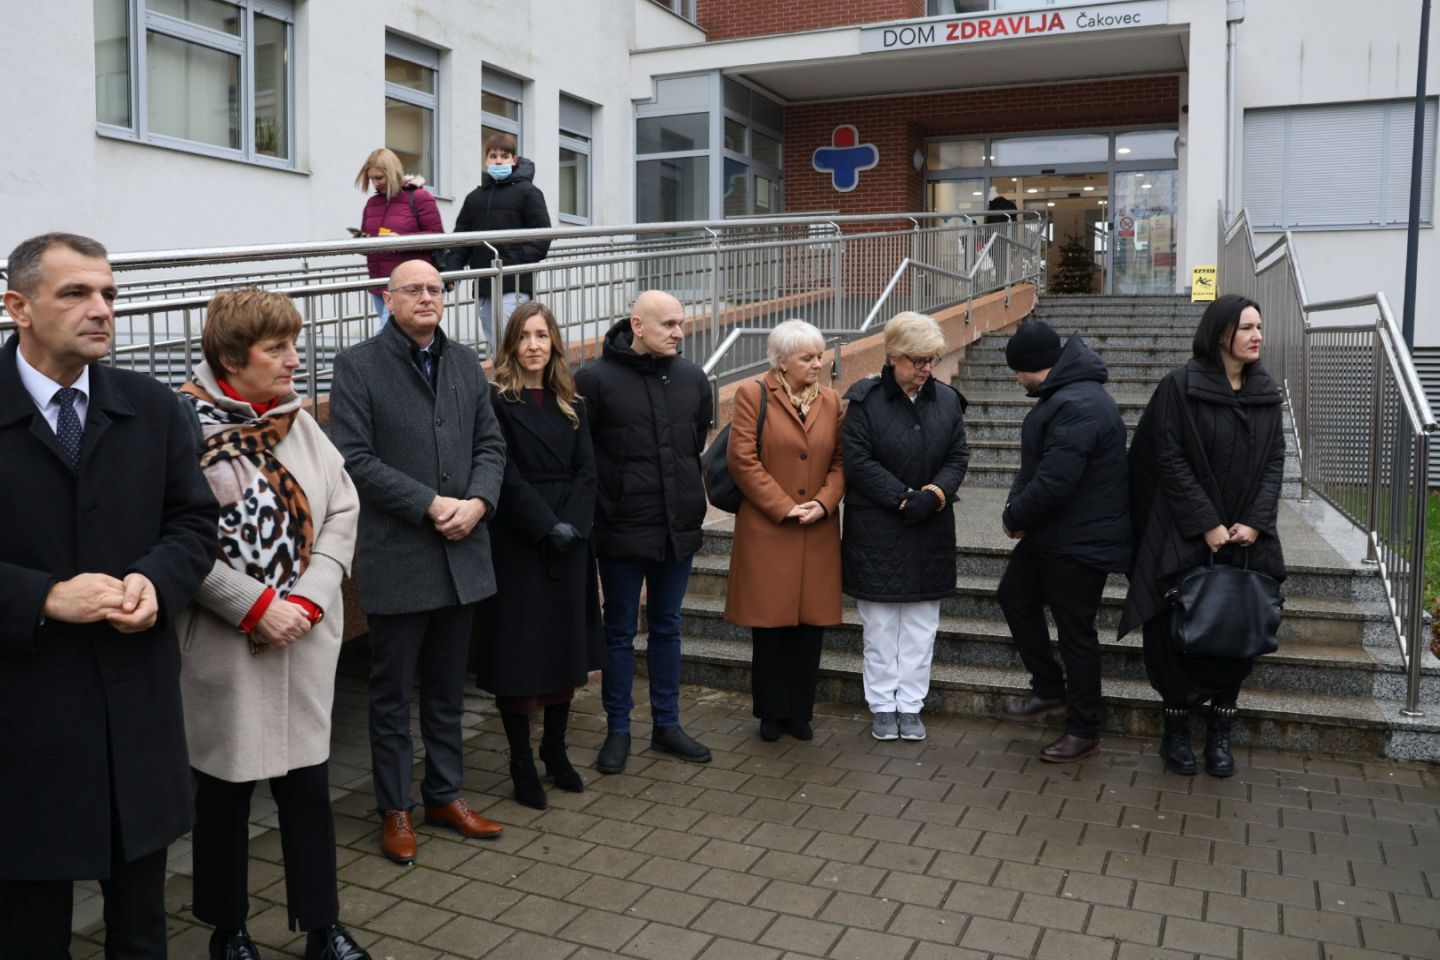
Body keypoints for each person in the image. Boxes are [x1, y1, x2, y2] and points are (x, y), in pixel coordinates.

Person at [0, 233, 218, 957]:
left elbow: (192, 522)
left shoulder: (152, 408)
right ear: (17, 307)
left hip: (135, 716)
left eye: (109, 294)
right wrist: (41, 598)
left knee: (141, 931)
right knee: (29, 931)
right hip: (24, 723)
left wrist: (156, 580)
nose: (101, 310)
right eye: (76, 294)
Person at [176, 289, 368, 960]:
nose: (294, 359)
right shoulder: (179, 427)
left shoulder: (299, 423)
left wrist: (309, 602)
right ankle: (227, 932)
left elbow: (343, 509)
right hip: (227, 647)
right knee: (225, 797)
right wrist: (252, 605)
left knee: (307, 791)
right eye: (276, 348)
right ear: (231, 356)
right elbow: (173, 537)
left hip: (304, 641)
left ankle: (323, 926)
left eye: (294, 343)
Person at [328, 259, 508, 865]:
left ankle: (444, 796)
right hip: (400, 554)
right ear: (388, 298)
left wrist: (479, 502)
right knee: (389, 695)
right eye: (414, 289)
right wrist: (429, 504)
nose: (428, 297)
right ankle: (394, 809)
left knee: (445, 691)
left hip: (462, 553)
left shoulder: (464, 362)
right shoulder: (357, 365)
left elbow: (491, 442)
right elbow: (352, 456)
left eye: (436, 288)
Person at [1119, 294, 1285, 779]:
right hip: (1188, 535)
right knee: (1177, 639)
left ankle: (1219, 736)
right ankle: (1174, 735)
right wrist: (1206, 523)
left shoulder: (1266, 391)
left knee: (1237, 632)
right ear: (1221, 335)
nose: (1257, 336)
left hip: (1247, 539)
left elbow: (1275, 461)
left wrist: (1254, 521)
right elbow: (1167, 456)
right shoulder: (1181, 386)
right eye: (1247, 328)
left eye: (1260, 326)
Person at [575, 290, 714, 773]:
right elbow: (583, 458)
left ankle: (667, 726)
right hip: (619, 530)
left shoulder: (694, 379)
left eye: (681, 323)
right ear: (637, 324)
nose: (680, 332)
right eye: (669, 324)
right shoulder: (592, 381)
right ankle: (618, 730)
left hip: (677, 528)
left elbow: (694, 441)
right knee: (618, 632)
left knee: (667, 628)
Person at [475, 301, 604, 809]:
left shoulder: (573, 402)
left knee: (562, 646)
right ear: (511, 344)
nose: (533, 345)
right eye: (525, 336)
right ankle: (520, 762)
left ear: (554, 343)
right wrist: (545, 525)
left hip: (571, 540)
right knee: (520, 652)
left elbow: (588, 470)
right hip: (521, 540)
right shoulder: (497, 402)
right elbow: (502, 474)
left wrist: (571, 526)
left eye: (542, 336)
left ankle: (556, 750)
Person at [995, 320, 1130, 764]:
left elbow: (1055, 481)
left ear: (1036, 367)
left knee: (1076, 634)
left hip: (1078, 544)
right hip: (1050, 535)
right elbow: (1037, 468)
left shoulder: (1079, 403)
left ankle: (1085, 729)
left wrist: (1015, 516)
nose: (1016, 379)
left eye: (1017, 370)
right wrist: (1018, 512)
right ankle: (1049, 690)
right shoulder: (1065, 396)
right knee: (1014, 596)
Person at [841, 312, 969, 743]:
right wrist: (901, 497)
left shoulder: (948, 401)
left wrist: (933, 494)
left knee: (920, 626)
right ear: (893, 357)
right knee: (879, 627)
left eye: (930, 359)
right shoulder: (865, 401)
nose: (925, 368)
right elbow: (857, 461)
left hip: (930, 528)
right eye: (916, 360)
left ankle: (910, 705)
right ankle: (882, 704)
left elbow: (958, 457)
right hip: (877, 528)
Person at [725, 320, 845, 741]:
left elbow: (842, 462)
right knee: (770, 627)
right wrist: (784, 506)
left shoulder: (832, 401)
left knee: (809, 628)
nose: (818, 363)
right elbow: (742, 459)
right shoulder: (752, 393)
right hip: (768, 527)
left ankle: (800, 712)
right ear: (781, 361)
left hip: (817, 528)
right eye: (808, 357)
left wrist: (824, 502)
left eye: (820, 355)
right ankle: (771, 713)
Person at [442, 132, 552, 348]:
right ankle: (506, 379)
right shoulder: (475, 197)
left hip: (514, 281)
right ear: (486, 160)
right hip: (484, 282)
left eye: (504, 156)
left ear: (514, 160)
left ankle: (517, 380)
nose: (498, 160)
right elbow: (462, 238)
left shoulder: (529, 193)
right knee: (495, 341)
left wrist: (512, 262)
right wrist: (451, 271)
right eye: (493, 156)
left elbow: (542, 237)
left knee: (511, 337)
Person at [355, 147, 443, 329]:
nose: (375, 183)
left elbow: (437, 237)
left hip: (409, 285)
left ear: (393, 172)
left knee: (386, 337)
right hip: (380, 285)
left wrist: (401, 239)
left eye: (379, 178)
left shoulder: (419, 197)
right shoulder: (372, 203)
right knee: (400, 341)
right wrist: (363, 241)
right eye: (371, 178)